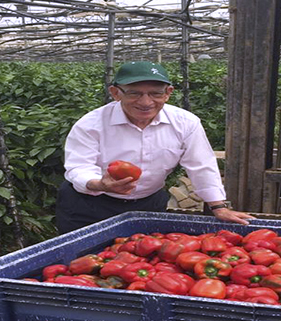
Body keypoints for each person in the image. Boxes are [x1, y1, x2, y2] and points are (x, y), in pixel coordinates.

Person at [56, 61, 255, 234]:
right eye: (134, 93)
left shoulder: (185, 122)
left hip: (148, 203)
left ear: (168, 93)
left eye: (156, 93)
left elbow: (201, 164)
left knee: (143, 261)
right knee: (84, 264)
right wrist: (99, 184)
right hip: (89, 206)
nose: (146, 102)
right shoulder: (91, 124)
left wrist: (218, 206)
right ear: (116, 93)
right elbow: (78, 167)